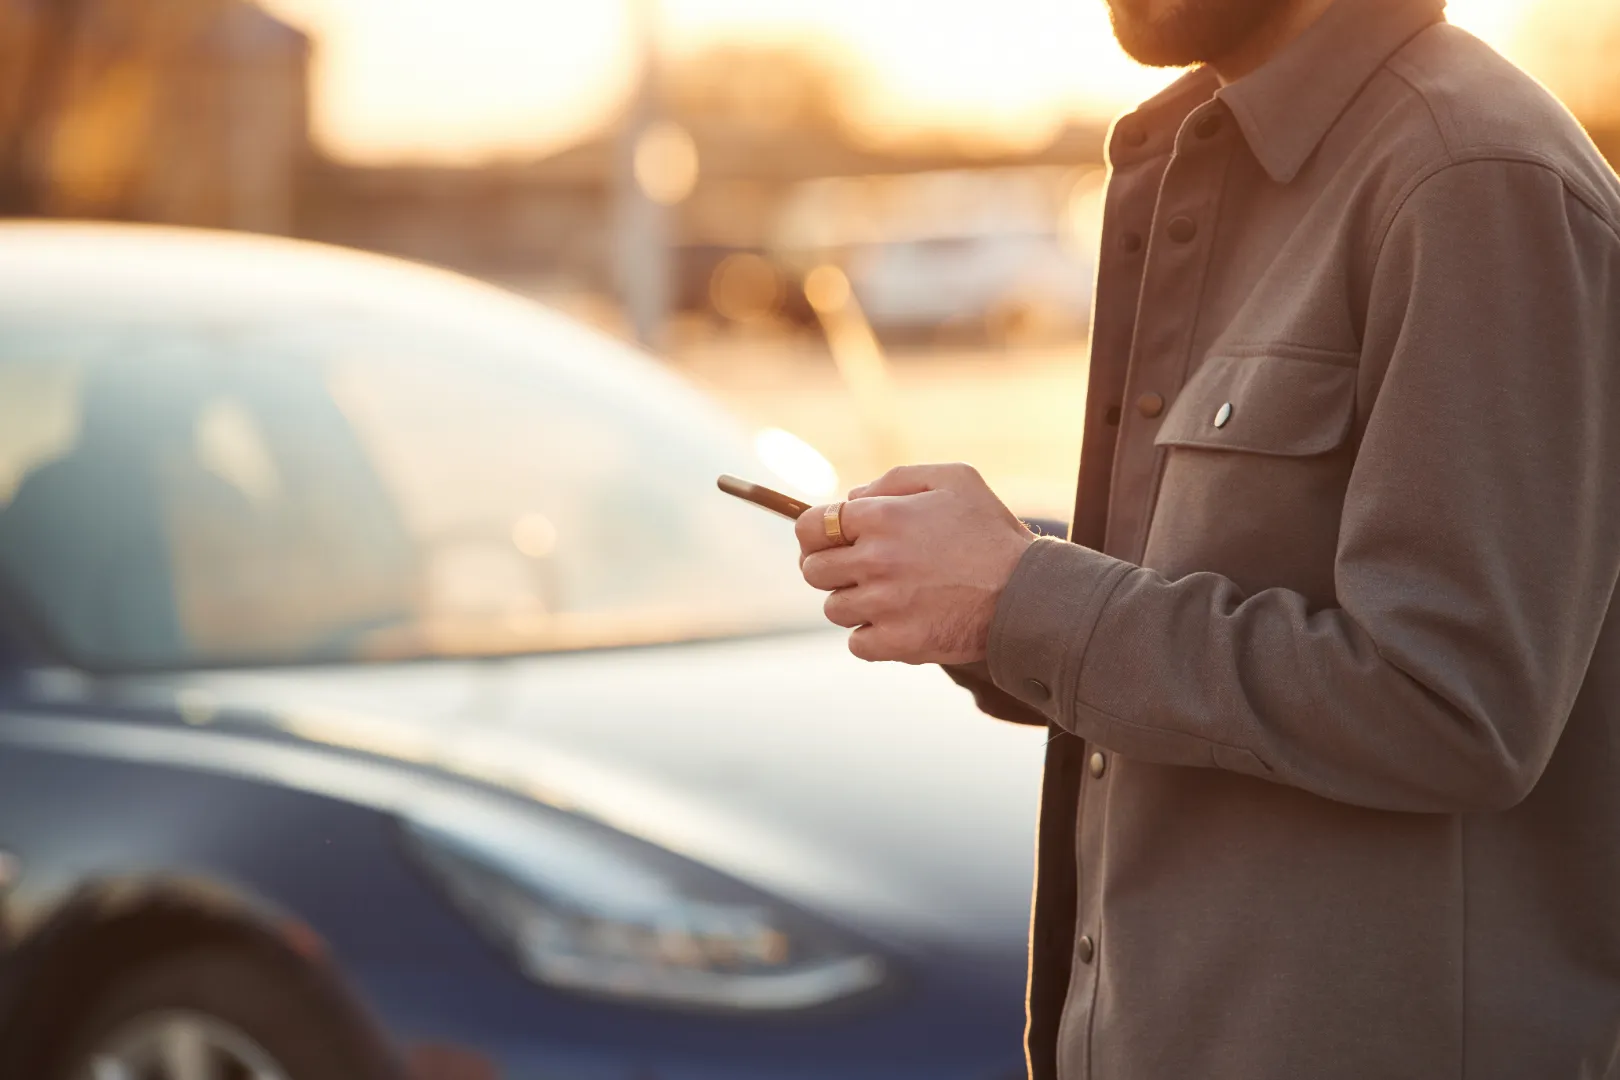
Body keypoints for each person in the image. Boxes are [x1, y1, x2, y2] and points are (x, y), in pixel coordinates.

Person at [793, 0, 1620, 1076]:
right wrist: (988, 592)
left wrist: (1022, 597)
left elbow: (1452, 697)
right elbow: (1219, 591)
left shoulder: (1471, 176)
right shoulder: (1215, 161)